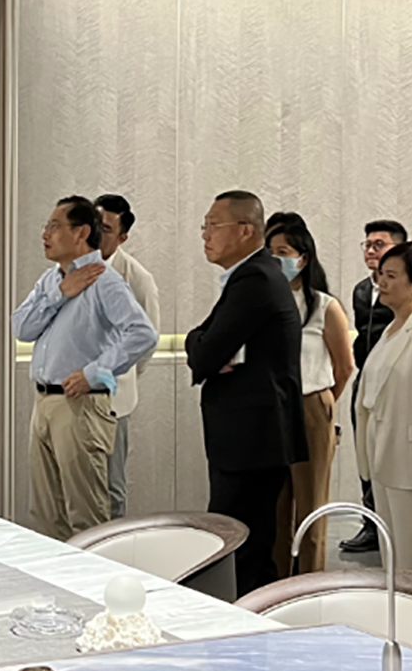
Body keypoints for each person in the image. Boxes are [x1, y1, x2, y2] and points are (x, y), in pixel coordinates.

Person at [14, 196, 157, 539]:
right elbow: (21, 328)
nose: (45, 234)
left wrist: (94, 373)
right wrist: (60, 293)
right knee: (46, 516)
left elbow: (143, 334)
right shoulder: (51, 279)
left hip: (80, 406)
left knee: (86, 517)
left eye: (54, 226)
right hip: (44, 403)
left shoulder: (104, 279)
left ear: (81, 233)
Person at [185, 191, 306, 593]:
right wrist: (199, 343)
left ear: (245, 230)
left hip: (250, 441)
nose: (205, 235)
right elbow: (202, 340)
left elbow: (205, 353)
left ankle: (245, 621)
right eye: (204, 226)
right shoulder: (252, 276)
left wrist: (201, 345)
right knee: (247, 542)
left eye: (213, 225)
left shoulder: (255, 278)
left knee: (240, 545)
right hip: (250, 438)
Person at [352, 241, 412, 577]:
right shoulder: (392, 328)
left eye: (392, 276)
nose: (381, 281)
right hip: (386, 460)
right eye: (381, 274)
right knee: (396, 564)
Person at [264, 213, 354, 575]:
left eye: (283, 252)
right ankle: (277, 586)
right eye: (270, 252)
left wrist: (322, 405)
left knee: (311, 508)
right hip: (271, 410)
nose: (275, 260)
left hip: (311, 406)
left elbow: (344, 367)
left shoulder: (324, 306)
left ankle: (311, 585)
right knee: (275, 510)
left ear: (302, 258)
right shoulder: (265, 302)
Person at [95, 193, 162, 518]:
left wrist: (119, 374)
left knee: (111, 488)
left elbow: (147, 342)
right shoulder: (67, 270)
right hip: (69, 398)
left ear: (122, 238)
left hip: (111, 401)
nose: (96, 233)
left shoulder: (137, 278)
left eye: (106, 229)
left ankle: (111, 546)